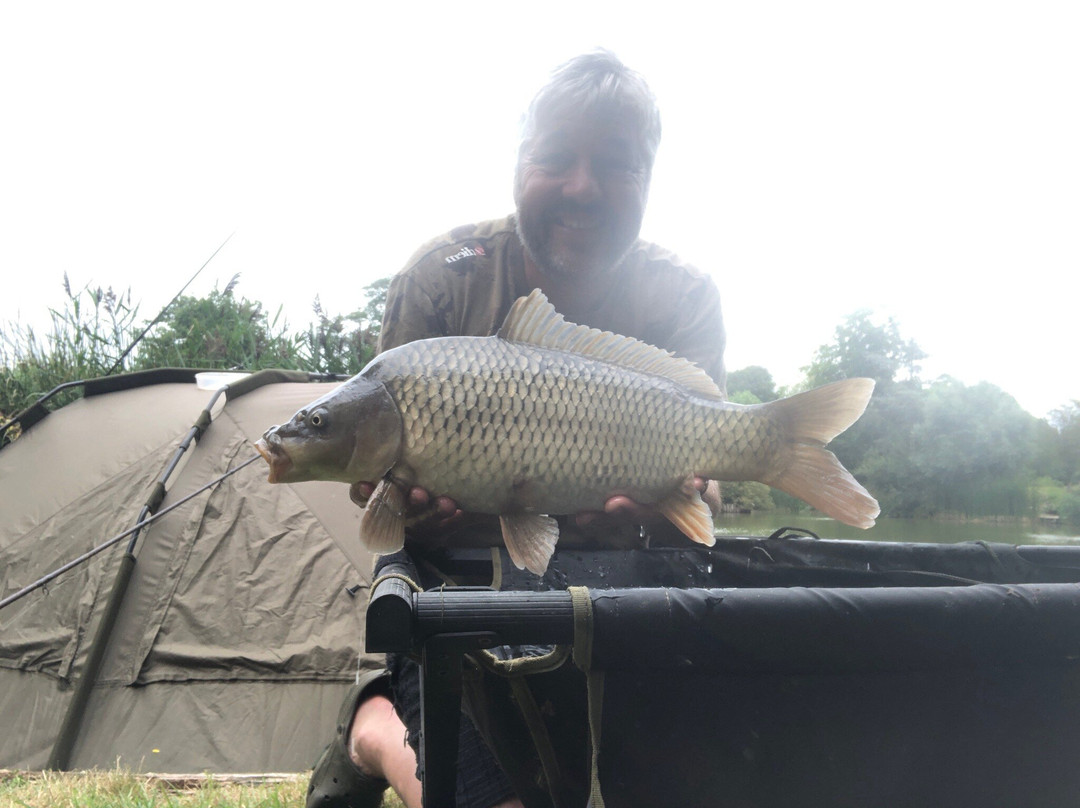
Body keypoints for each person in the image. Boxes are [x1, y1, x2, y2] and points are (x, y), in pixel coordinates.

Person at [306, 50, 726, 808]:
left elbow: (706, 483)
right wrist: (405, 502)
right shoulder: (442, 275)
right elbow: (376, 483)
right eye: (556, 159)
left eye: (617, 165)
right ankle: (375, 722)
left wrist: (687, 496)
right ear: (519, 163)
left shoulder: (684, 294)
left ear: (650, 177)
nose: (583, 187)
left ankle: (389, 721)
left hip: (620, 567)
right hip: (454, 573)